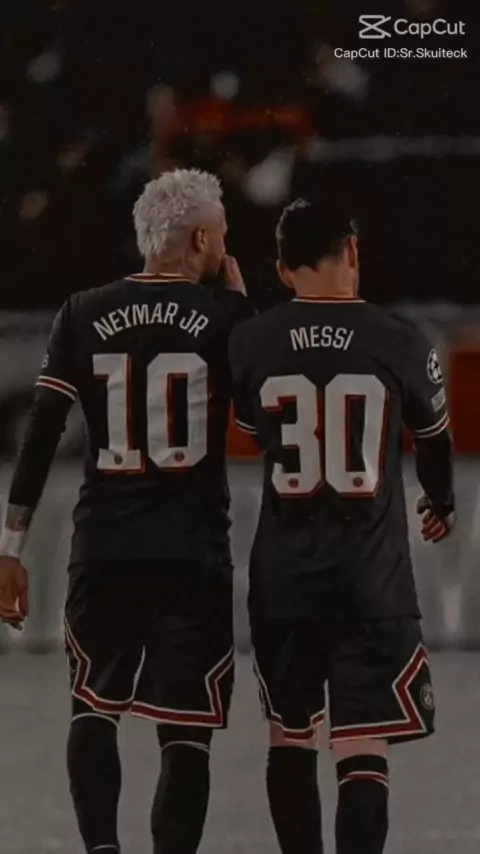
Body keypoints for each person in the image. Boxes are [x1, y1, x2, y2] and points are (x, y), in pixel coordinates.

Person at [0, 168, 251, 854]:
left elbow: (41, 433)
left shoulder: (82, 311)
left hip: (106, 546)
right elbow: (260, 422)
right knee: (186, 730)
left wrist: (10, 548)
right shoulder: (225, 317)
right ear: (200, 240)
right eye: (221, 234)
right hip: (191, 551)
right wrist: (242, 309)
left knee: (93, 707)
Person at [229, 198, 455, 854]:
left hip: (285, 580)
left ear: (283, 268)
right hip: (370, 579)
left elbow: (254, 430)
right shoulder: (400, 338)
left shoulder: (254, 340)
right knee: (362, 744)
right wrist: (440, 503)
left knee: (290, 735)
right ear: (352, 250)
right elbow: (435, 442)